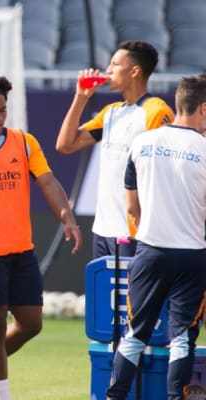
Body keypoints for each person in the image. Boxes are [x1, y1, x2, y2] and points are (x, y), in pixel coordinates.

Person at [0, 74, 82, 400]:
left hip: (22, 251)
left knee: (31, 323)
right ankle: (2, 399)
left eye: (3, 110)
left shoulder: (23, 142)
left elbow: (48, 181)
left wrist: (67, 218)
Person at [106, 75, 206, 400]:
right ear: (203, 109)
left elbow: (131, 207)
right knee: (181, 339)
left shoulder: (142, 143)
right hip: (192, 254)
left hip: (149, 250)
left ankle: (113, 399)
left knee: (135, 334)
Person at [55, 40, 173, 259]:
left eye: (114, 64)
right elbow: (65, 144)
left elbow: (164, 170)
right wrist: (81, 97)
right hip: (102, 230)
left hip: (135, 232)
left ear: (135, 71)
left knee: (131, 294)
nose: (107, 70)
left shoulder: (156, 111)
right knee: (104, 292)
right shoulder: (110, 112)